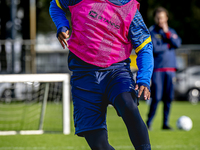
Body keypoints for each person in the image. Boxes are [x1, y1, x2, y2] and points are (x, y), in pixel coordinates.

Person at [49, 0, 153, 149]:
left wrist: (144, 79)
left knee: (128, 105)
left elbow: (144, 46)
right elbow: (56, 5)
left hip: (116, 72)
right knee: (98, 144)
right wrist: (62, 25)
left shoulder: (129, 8)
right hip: (83, 75)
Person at [146, 7, 182, 130]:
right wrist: (168, 45)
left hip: (171, 71)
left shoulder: (170, 31)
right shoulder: (153, 31)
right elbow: (155, 49)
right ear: (155, 19)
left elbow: (177, 43)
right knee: (156, 98)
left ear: (166, 18)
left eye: (162, 17)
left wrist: (167, 34)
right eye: (158, 18)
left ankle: (165, 124)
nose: (160, 20)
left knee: (168, 98)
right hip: (158, 70)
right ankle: (149, 122)